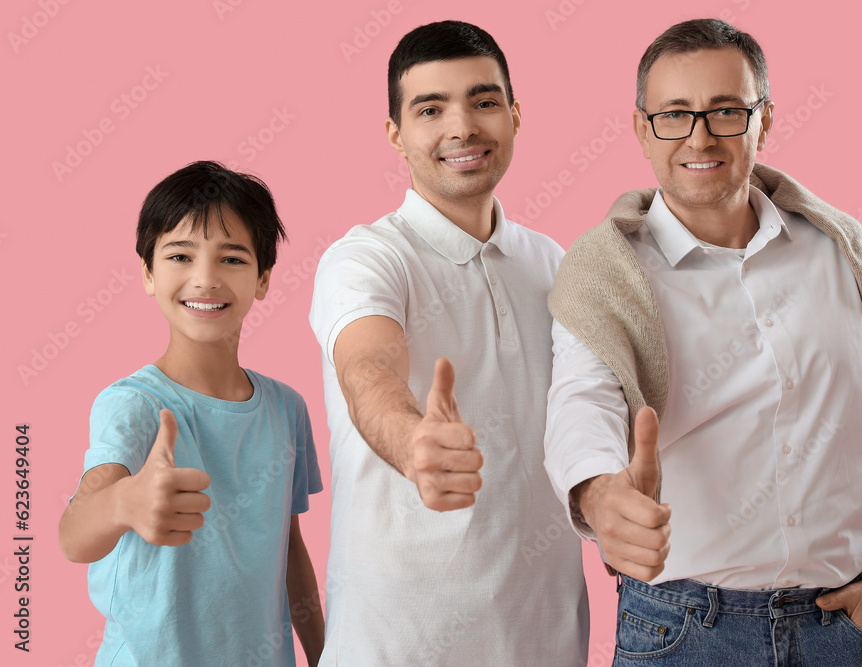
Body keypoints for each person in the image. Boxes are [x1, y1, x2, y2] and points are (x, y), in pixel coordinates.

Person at [544, 18, 862, 666]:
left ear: (765, 119)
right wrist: (598, 490)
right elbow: (580, 401)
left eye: (726, 110)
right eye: (675, 114)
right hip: (682, 630)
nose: (700, 136)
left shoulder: (851, 260)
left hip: (843, 628)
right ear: (643, 128)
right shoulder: (605, 273)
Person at [309, 20, 588, 666]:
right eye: (430, 109)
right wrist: (413, 442)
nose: (462, 127)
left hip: (547, 645)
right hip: (394, 650)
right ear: (396, 135)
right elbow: (367, 369)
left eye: (484, 101)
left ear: (515, 115)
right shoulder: (366, 259)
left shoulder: (556, 265)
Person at [58, 161, 325, 666]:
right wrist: (124, 502)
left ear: (264, 279)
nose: (205, 279)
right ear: (147, 273)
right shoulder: (133, 405)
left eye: (232, 259)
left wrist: (325, 653)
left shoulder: (288, 408)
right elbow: (73, 535)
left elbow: (289, 552)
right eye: (180, 255)